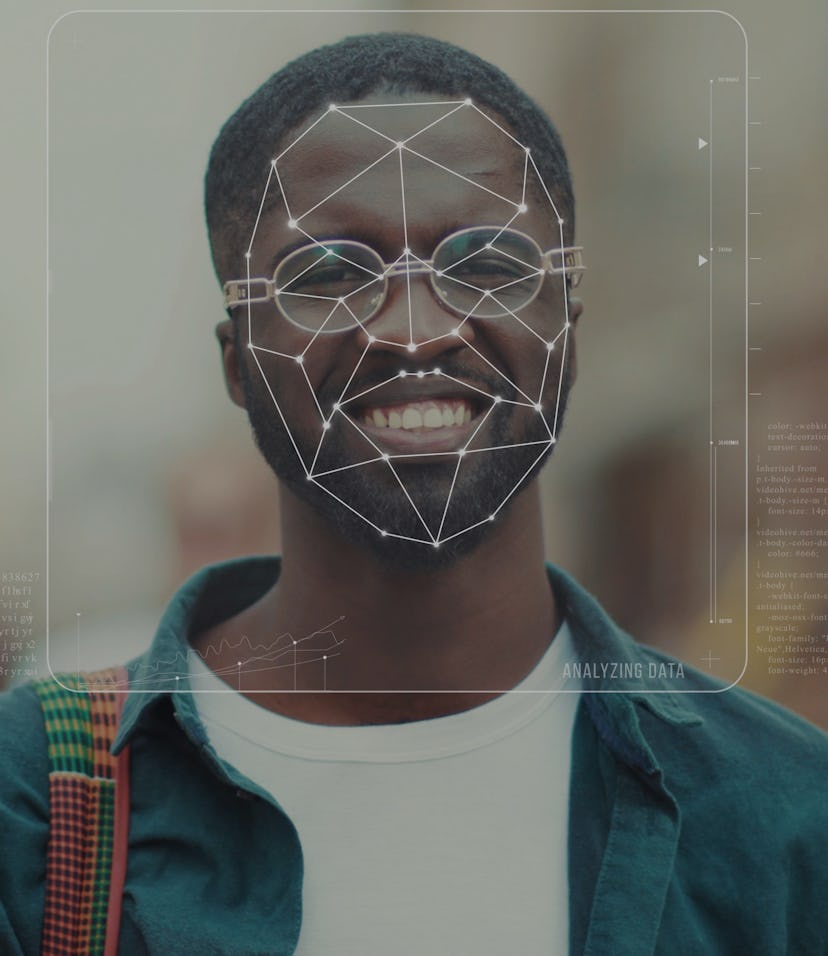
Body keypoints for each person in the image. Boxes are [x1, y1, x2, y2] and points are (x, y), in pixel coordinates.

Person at [1, 32, 827, 956]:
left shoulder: (787, 816)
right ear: (238, 362)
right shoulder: (35, 803)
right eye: (328, 273)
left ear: (569, 327)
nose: (416, 330)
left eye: (488, 263)